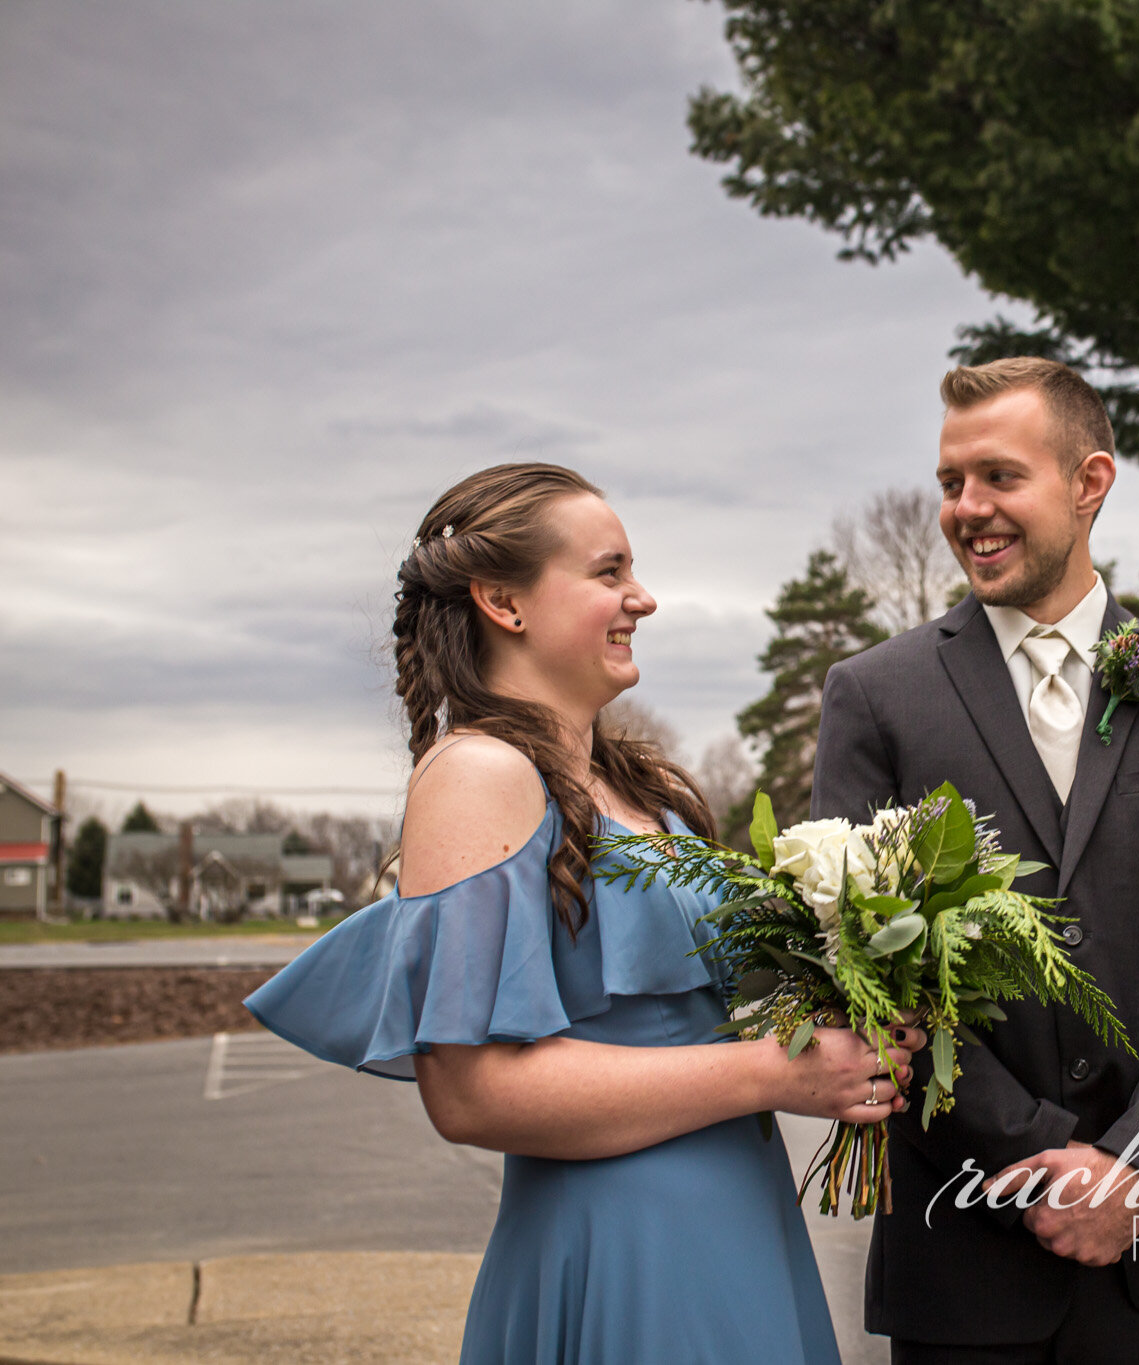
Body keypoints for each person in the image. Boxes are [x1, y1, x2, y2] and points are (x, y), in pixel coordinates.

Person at [246, 463, 919, 1365]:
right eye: (609, 572)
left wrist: (854, 1013)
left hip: (740, 1220)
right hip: (623, 1246)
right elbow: (473, 1090)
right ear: (503, 601)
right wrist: (777, 1077)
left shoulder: (645, 790)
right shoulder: (479, 772)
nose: (641, 597)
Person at [810, 358, 1139, 1363]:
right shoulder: (875, 696)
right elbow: (861, 966)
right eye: (950, 483)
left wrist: (1132, 1167)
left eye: (998, 477)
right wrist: (1035, 1156)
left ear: (1089, 481)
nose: (966, 509)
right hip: (965, 1242)